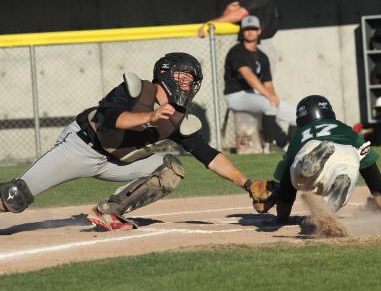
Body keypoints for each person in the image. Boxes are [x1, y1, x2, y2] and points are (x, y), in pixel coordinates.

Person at [0, 52, 273, 230]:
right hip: (81, 147)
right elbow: (112, 119)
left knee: (171, 169)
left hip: (115, 163)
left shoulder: (177, 117)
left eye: (192, 80)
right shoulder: (136, 89)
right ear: (165, 74)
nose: (188, 85)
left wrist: (247, 183)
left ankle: (110, 211)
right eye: (183, 77)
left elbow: (208, 155)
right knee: (14, 197)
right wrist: (150, 117)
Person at [251, 95, 381, 224]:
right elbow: (376, 182)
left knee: (297, 171)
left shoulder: (300, 135)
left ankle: (309, 163)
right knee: (345, 175)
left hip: (310, 148)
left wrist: (281, 218)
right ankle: (332, 200)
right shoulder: (346, 129)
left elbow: (287, 190)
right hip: (346, 155)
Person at [224, 15, 295, 149]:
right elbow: (248, 75)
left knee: (294, 114)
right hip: (236, 95)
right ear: (242, 31)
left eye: (253, 28)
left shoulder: (262, 56)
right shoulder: (236, 51)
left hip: (256, 93)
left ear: (259, 31)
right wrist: (269, 97)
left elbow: (268, 83)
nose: (250, 31)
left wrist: (274, 98)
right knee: (269, 106)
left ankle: (290, 147)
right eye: (247, 29)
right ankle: (270, 145)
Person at [197, 0, 279, 71]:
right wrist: (227, 10)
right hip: (244, 46)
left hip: (261, 45)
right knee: (245, 86)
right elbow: (229, 16)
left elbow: (239, 14)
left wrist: (209, 24)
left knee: (262, 85)